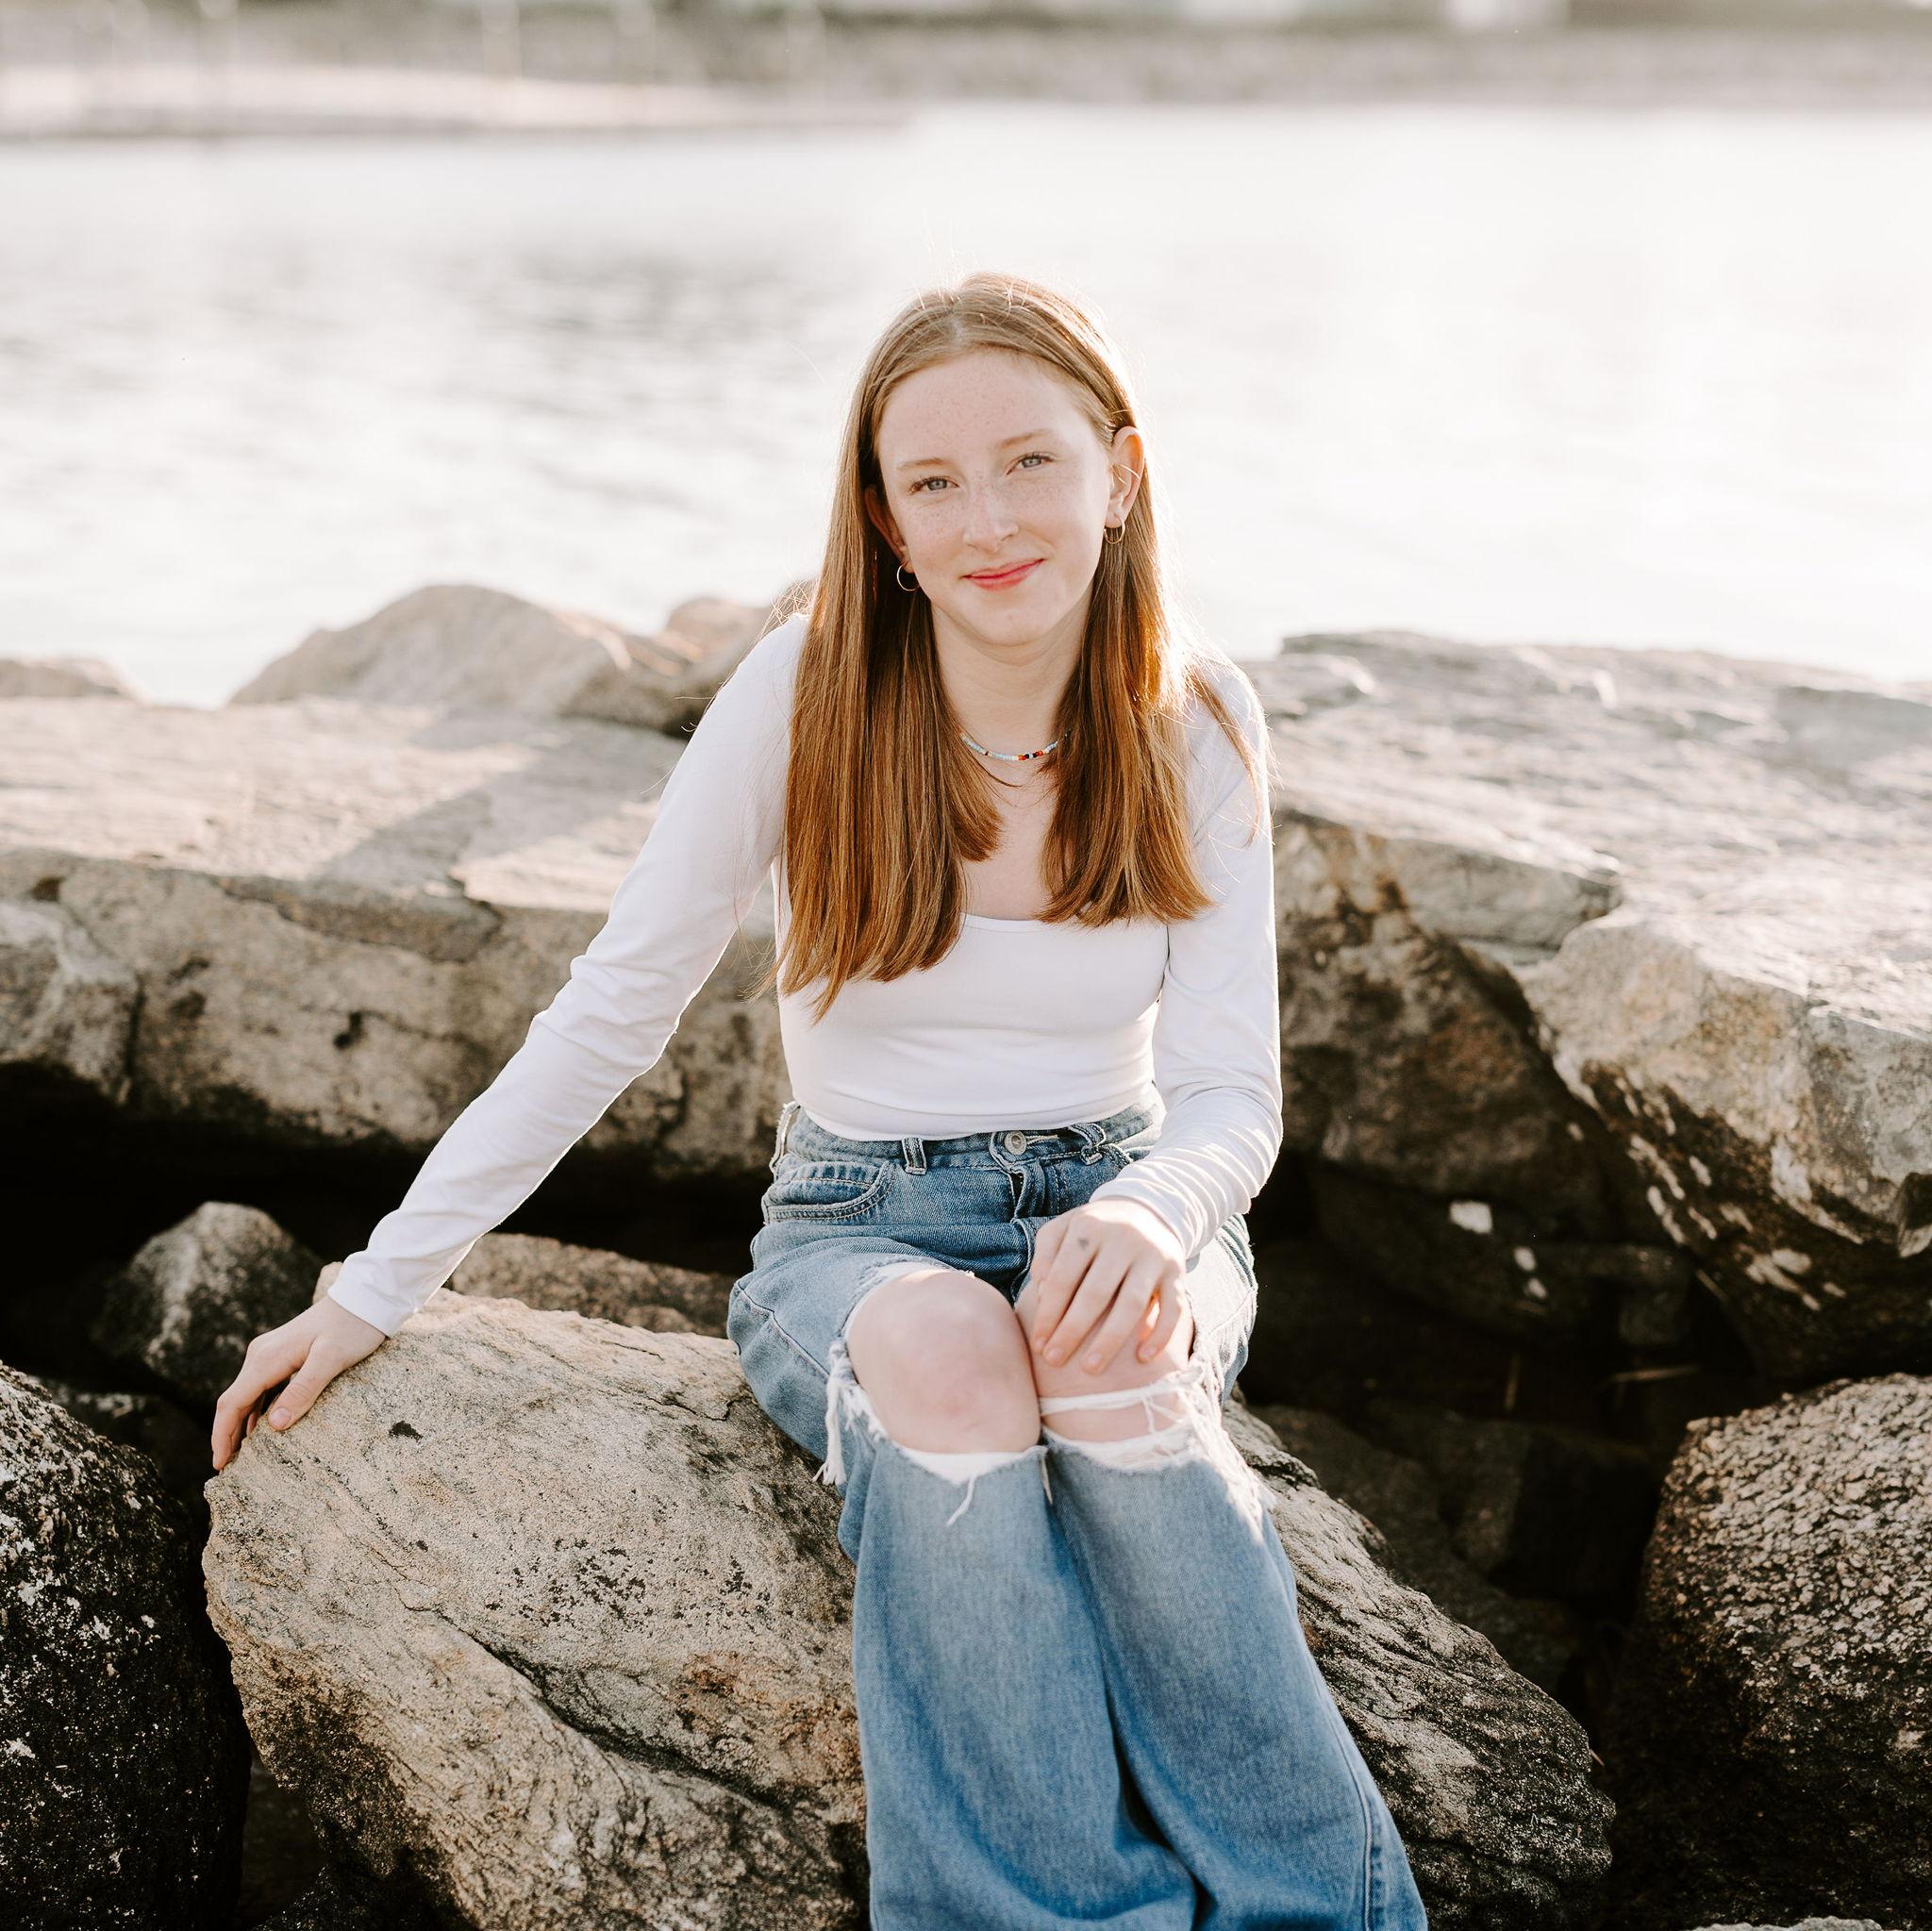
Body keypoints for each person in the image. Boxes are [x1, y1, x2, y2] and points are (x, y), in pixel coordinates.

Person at [212, 271, 1429, 1930]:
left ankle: (1327, 1912)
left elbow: (1229, 1094)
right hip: (863, 1225)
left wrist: (1152, 1216)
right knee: (953, 1363)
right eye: (935, 482)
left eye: (1031, 461)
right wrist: (375, 1288)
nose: (988, 518)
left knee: (1108, 1358)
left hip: (1125, 1200)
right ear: (886, 522)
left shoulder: (1195, 714)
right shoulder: (806, 692)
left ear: (1121, 473)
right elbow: (611, 1012)